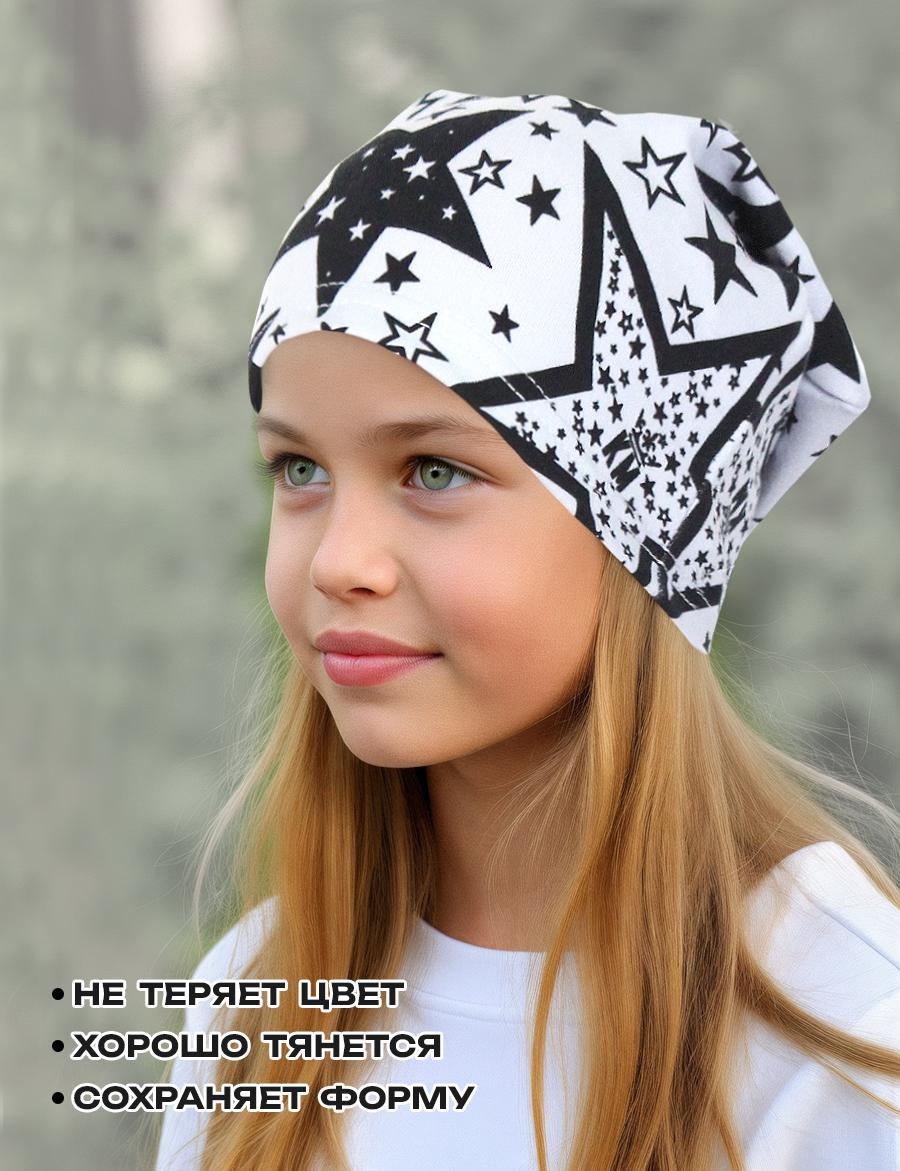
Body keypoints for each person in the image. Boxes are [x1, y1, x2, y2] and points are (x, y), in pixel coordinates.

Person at [153, 90, 900, 1171]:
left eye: (434, 471)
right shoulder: (258, 1000)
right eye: (299, 467)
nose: (336, 561)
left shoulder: (843, 1038)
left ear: (643, 531)